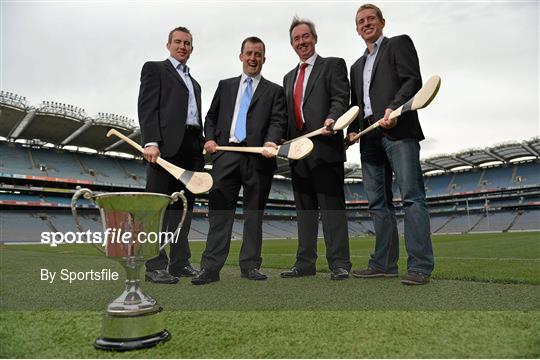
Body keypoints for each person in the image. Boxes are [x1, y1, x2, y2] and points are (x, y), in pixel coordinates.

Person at [345, 4, 434, 285]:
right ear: (357, 29)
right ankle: (384, 263)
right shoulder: (356, 66)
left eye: (371, 19)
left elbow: (412, 81)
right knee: (377, 203)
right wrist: (351, 131)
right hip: (369, 137)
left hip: (399, 131)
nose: (366, 23)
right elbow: (356, 106)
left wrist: (394, 109)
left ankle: (420, 266)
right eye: (361, 21)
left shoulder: (399, 44)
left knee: (411, 197)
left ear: (382, 22)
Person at [191, 36, 287, 285]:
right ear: (241, 56)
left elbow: (278, 121)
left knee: (254, 215)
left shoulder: (275, 91)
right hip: (227, 155)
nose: (253, 58)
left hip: (258, 157)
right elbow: (210, 117)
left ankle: (250, 266)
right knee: (220, 213)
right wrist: (209, 139)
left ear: (264, 59)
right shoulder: (225, 85)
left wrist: (270, 141)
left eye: (258, 54)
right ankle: (210, 268)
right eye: (249, 53)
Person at [280, 17, 352, 281]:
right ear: (292, 44)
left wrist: (333, 118)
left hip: (325, 149)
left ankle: (340, 263)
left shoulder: (333, 65)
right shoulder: (288, 78)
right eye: (297, 39)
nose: (302, 42)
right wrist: (278, 140)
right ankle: (305, 263)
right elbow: (287, 117)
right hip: (299, 156)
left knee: (332, 210)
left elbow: (340, 98)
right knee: (304, 213)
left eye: (306, 36)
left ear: (315, 38)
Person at [137, 26, 204, 284]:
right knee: (158, 210)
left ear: (191, 48)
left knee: (183, 209)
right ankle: (155, 266)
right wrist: (151, 141)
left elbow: (194, 116)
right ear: (168, 45)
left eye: (187, 43)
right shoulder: (155, 69)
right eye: (178, 42)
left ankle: (179, 262)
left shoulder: (195, 83)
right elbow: (147, 105)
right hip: (164, 148)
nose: (182, 46)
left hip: (191, 148)